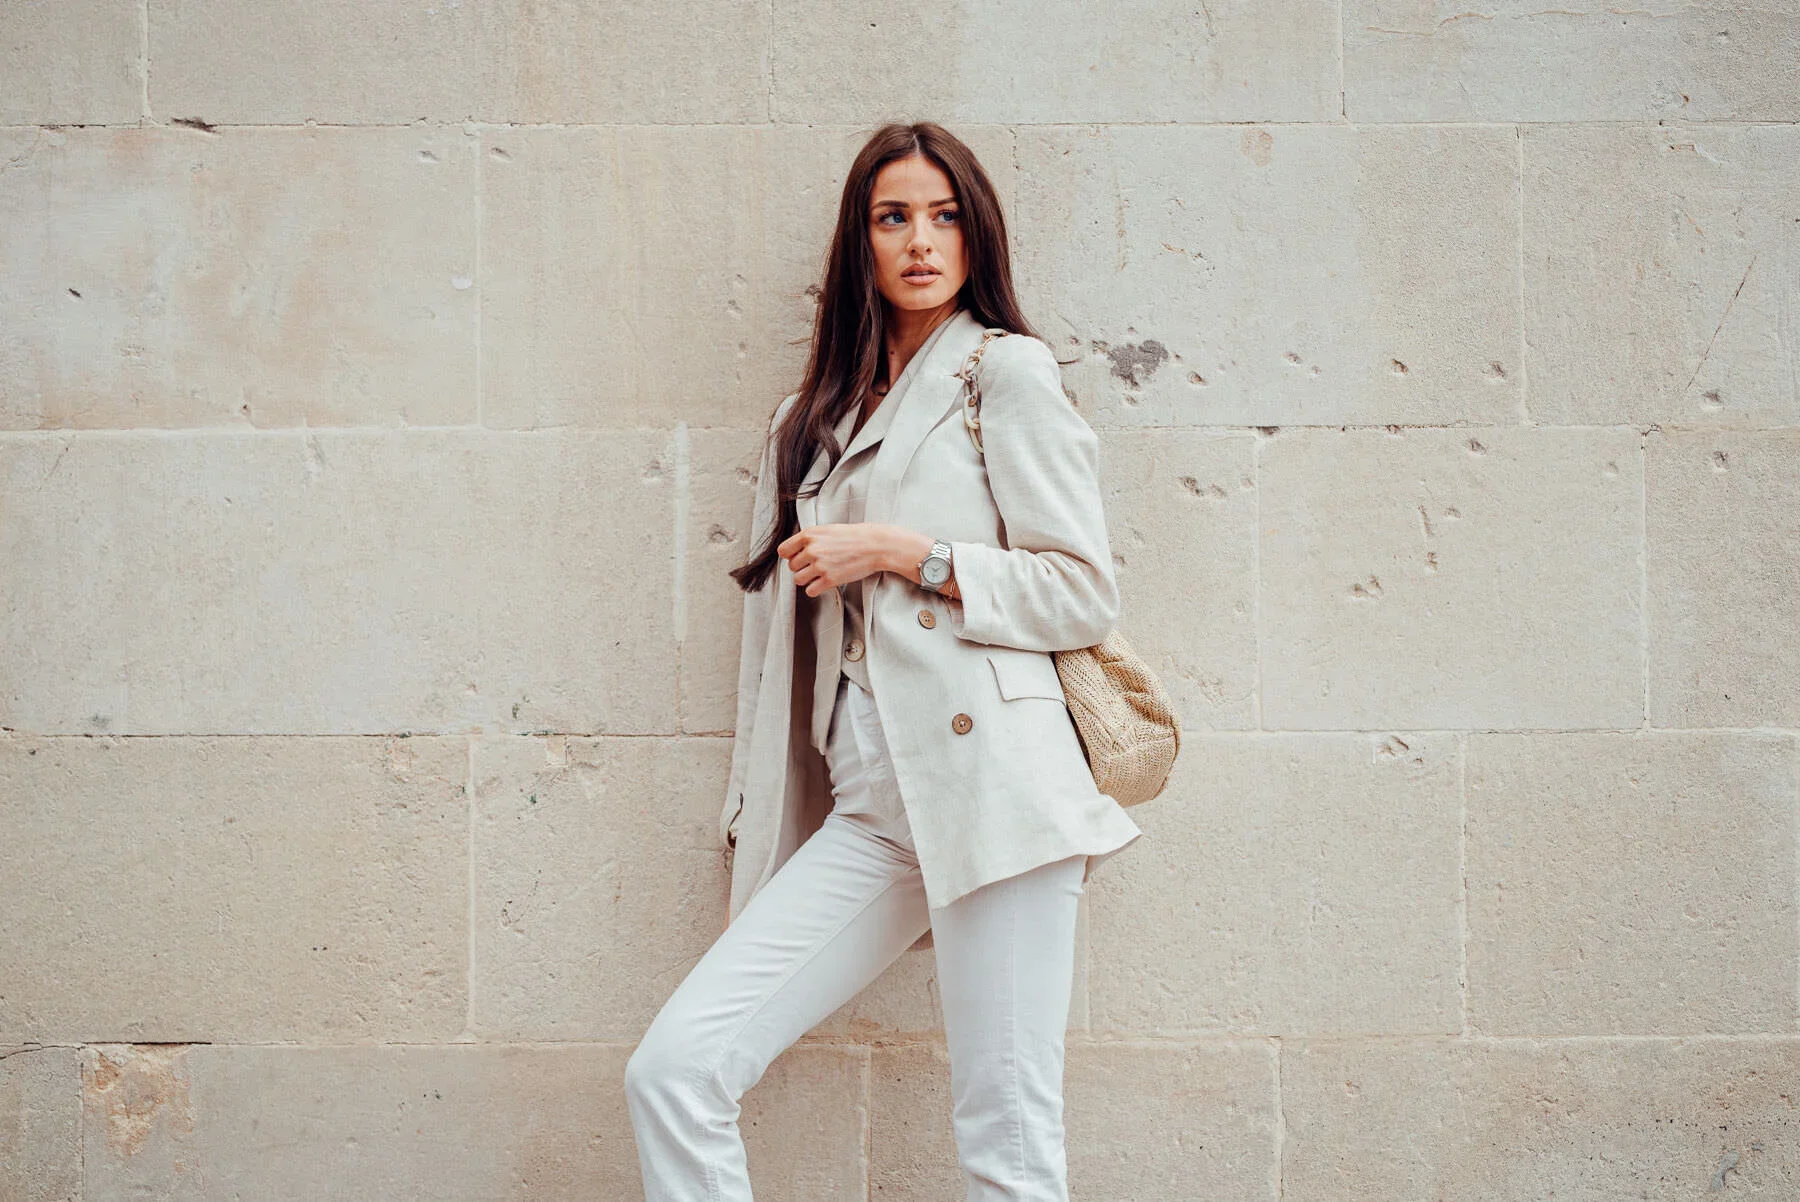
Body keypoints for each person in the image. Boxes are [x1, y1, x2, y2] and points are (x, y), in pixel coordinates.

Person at [624, 121, 1142, 1202]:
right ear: (858, 243)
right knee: (675, 1068)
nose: (920, 240)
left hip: (996, 793)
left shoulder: (1004, 374)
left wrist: (915, 554)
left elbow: (1082, 588)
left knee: (1006, 1140)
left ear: (976, 235)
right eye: (892, 216)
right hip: (870, 807)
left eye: (944, 216)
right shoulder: (809, 420)